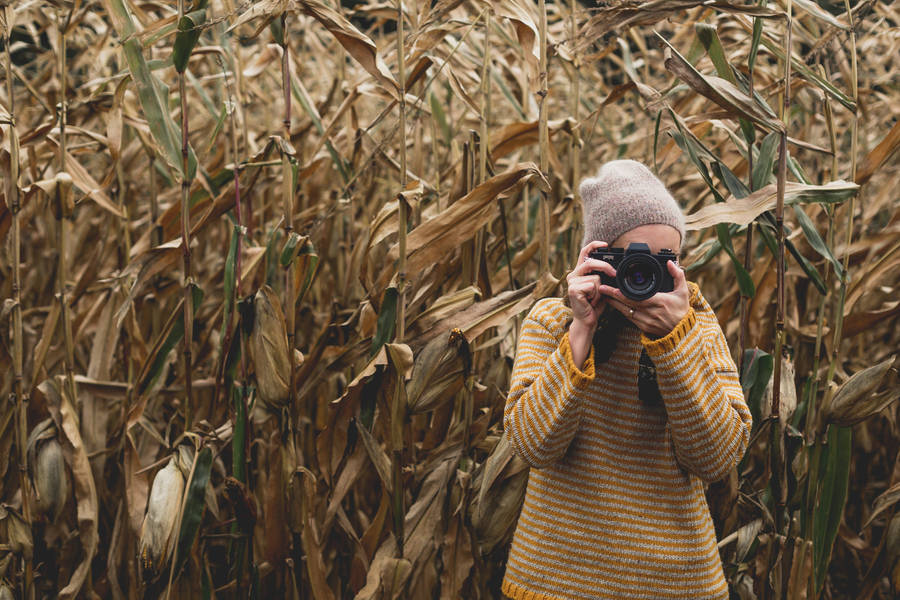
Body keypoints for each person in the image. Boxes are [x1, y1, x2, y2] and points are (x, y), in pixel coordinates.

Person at [501, 160, 752, 600]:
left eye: (664, 261)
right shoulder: (552, 323)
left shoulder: (698, 328)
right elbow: (532, 445)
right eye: (634, 261)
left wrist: (673, 343)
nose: (646, 277)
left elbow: (716, 459)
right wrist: (581, 331)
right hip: (557, 576)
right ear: (598, 258)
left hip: (675, 581)